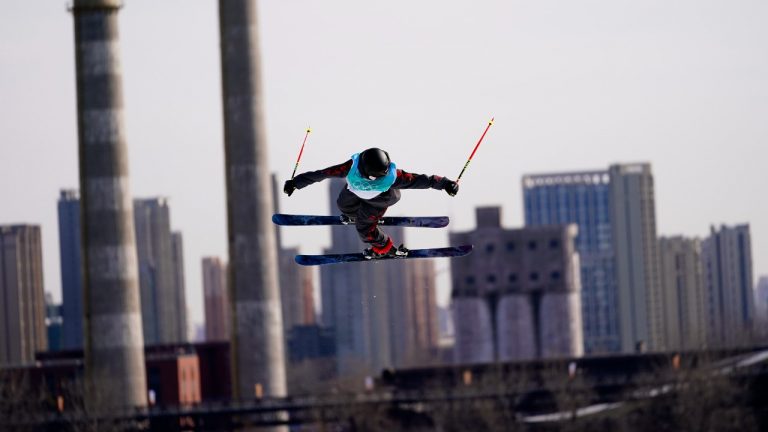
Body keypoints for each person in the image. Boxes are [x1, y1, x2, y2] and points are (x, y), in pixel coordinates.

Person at [283, 147, 459, 259]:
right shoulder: (350, 167)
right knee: (343, 205)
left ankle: (383, 246)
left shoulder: (393, 176)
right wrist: (295, 183)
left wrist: (446, 184)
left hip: (380, 199)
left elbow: (422, 180)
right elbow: (321, 173)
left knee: (364, 228)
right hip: (355, 193)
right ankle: (356, 216)